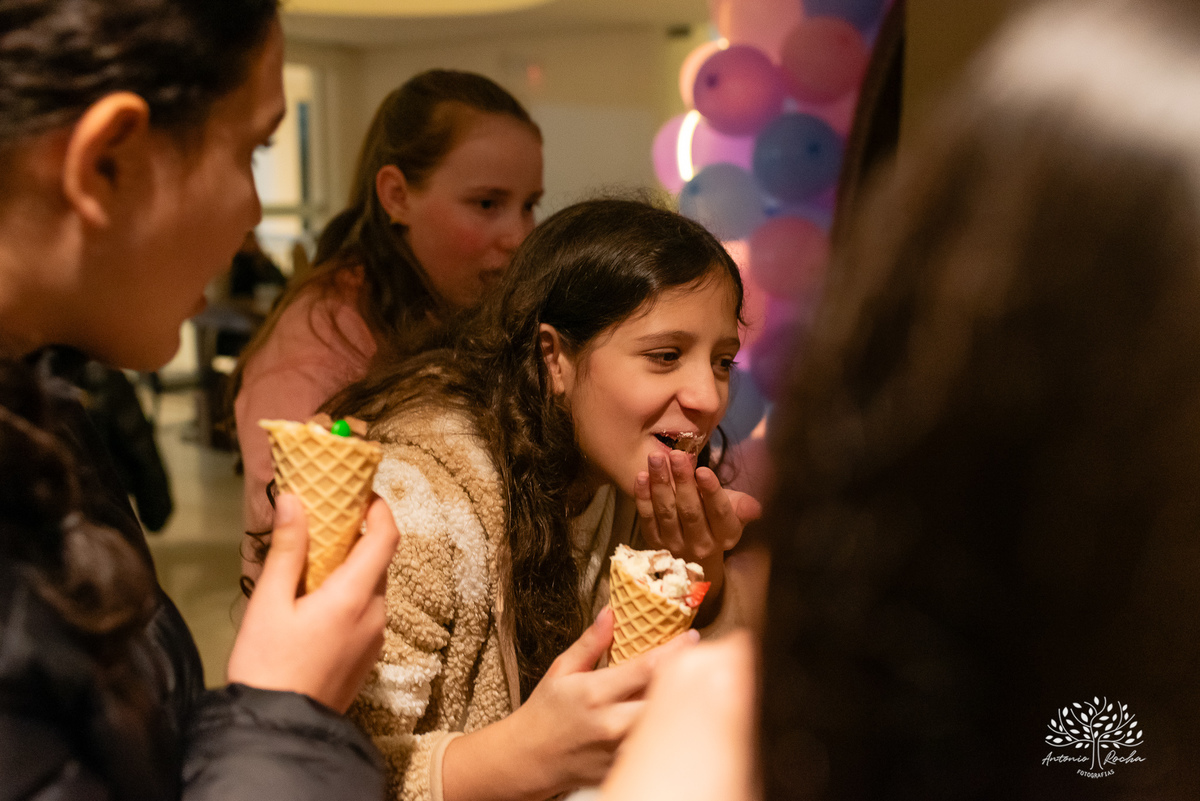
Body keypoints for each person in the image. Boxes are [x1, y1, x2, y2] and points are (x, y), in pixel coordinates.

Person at [0, 1, 400, 798]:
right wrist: (289, 709)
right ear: (106, 162)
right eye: (252, 149)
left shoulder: (42, 427)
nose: (254, 213)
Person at [322, 198, 762, 800]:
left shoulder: (623, 481)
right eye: (665, 356)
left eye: (722, 361)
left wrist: (700, 590)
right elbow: (327, 770)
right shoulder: (419, 504)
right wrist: (524, 756)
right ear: (554, 358)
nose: (709, 397)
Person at [233, 70, 544, 558]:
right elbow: (290, 542)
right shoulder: (321, 337)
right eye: (487, 203)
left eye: (529, 206)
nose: (519, 236)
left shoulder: (462, 309)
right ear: (397, 196)